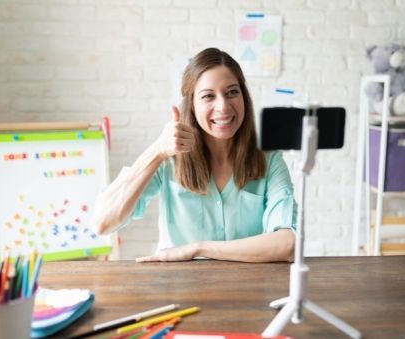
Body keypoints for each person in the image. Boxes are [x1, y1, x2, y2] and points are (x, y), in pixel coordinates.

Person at [91, 47, 297, 263]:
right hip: (179, 290)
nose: (223, 107)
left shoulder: (269, 159)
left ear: (244, 96)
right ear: (192, 105)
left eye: (232, 92)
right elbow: (103, 223)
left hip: (246, 288)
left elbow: (287, 244)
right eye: (208, 96)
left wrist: (198, 248)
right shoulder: (168, 159)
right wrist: (155, 152)